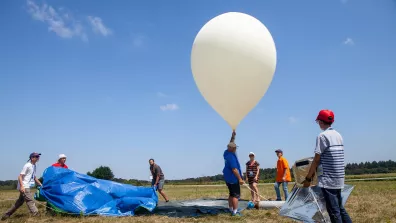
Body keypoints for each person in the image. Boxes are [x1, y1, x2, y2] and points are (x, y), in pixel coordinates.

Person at [302, 109, 352, 223]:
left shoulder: (322, 136)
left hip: (328, 179)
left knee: (334, 211)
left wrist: (308, 178)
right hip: (339, 178)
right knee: (340, 208)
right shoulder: (338, 135)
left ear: (320, 121)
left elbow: (316, 159)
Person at [1, 152, 43, 220]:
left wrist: (41, 184)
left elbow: (34, 177)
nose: (38, 157)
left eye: (38, 156)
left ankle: (6, 215)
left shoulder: (34, 166)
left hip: (27, 186)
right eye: (36, 156)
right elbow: (20, 176)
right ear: (32, 158)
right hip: (24, 186)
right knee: (30, 200)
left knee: (19, 202)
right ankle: (36, 214)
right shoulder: (27, 165)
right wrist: (22, 186)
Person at [223, 130, 244, 216]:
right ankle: (235, 212)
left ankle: (230, 209)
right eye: (234, 148)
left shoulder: (226, 152)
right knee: (235, 195)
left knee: (231, 194)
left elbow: (230, 143)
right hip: (233, 178)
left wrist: (233, 136)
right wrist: (240, 179)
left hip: (228, 178)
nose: (235, 149)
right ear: (231, 149)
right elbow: (234, 169)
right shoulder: (231, 156)